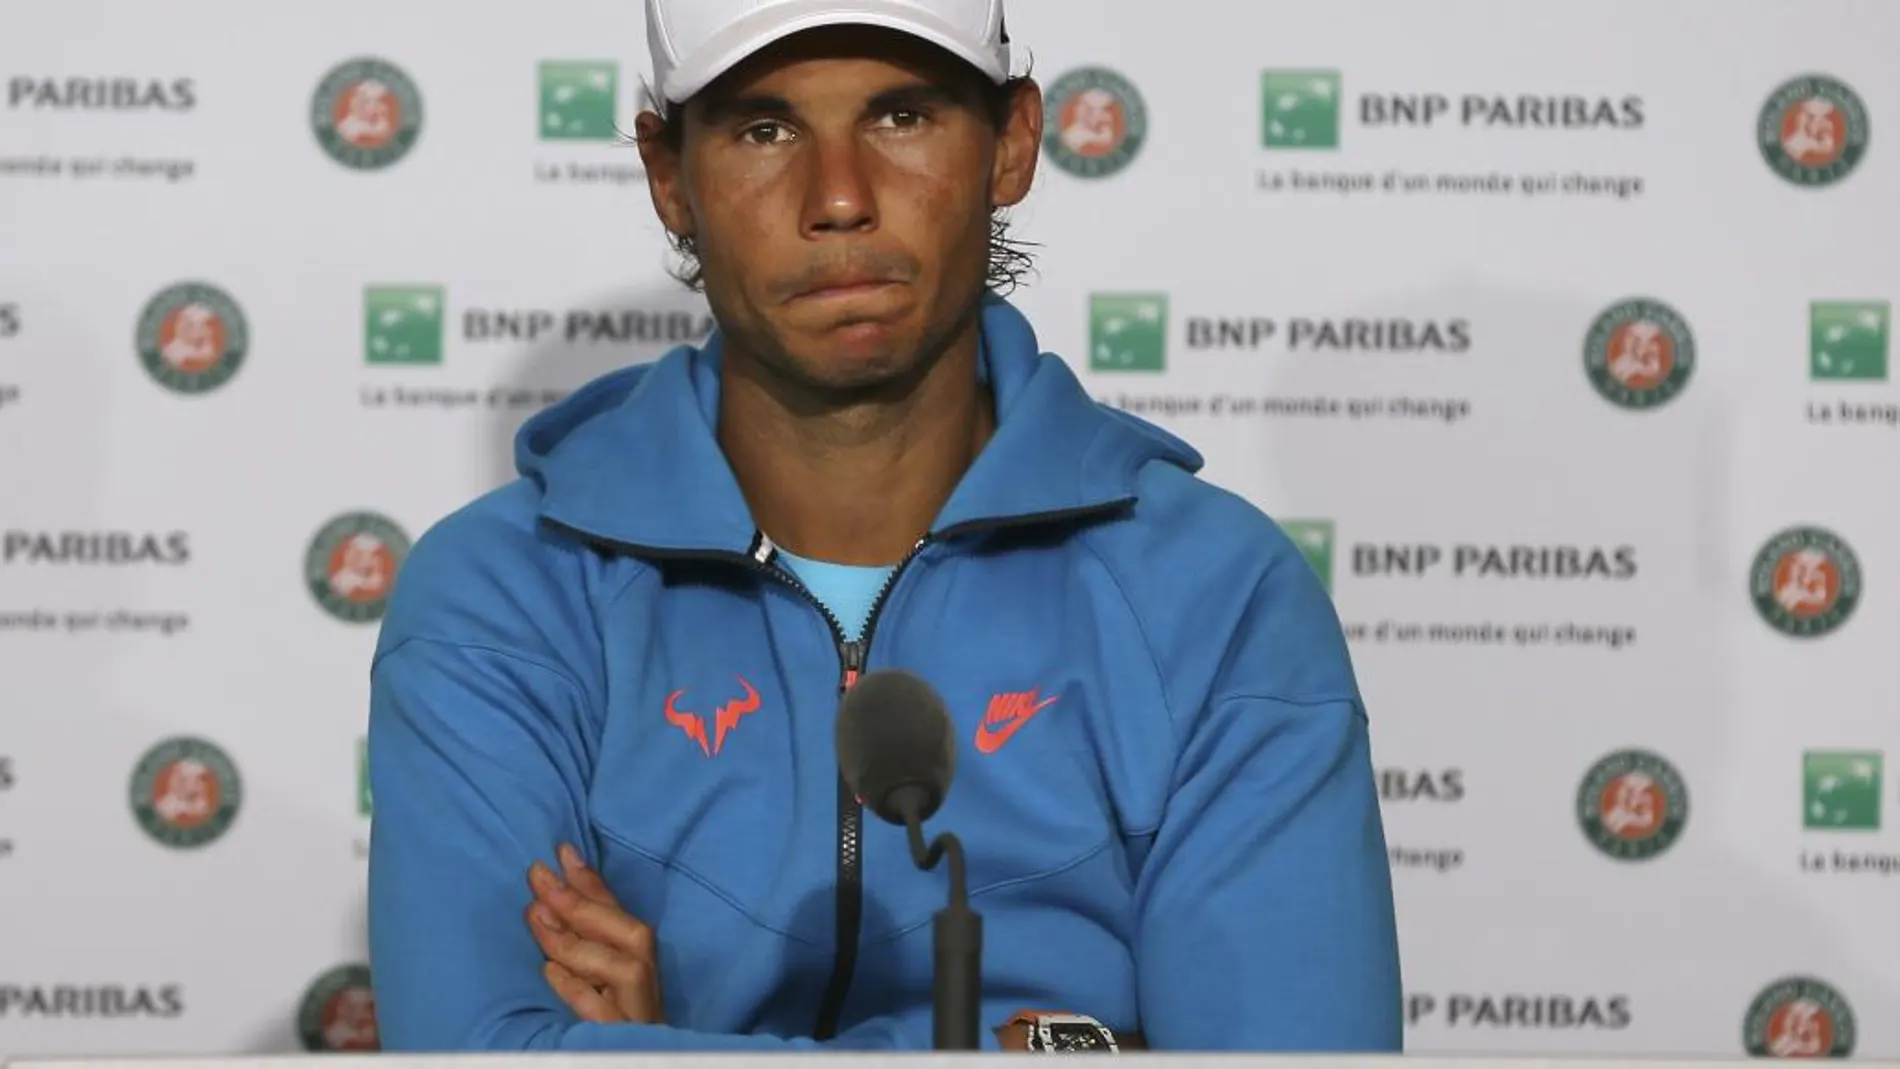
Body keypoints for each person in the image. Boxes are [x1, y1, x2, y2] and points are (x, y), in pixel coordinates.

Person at [364, 0, 1402, 1052]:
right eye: (764, 130)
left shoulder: (1214, 592)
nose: (840, 198)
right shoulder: (503, 591)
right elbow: (479, 1052)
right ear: (668, 176)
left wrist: (659, 1049)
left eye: (901, 117)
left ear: (1013, 142)